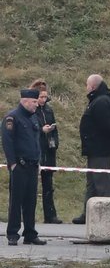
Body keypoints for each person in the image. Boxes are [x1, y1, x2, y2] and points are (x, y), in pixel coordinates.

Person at [73, 74, 110, 224]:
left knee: (102, 183)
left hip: (100, 149)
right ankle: (88, 213)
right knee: (92, 184)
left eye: (87, 85)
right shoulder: (98, 100)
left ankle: (109, 216)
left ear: (93, 86)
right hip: (94, 149)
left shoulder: (100, 102)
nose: (86, 88)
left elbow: (106, 124)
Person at [2, 88, 45, 245]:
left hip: (32, 166)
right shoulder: (12, 118)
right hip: (19, 166)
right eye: (34, 102)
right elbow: (7, 142)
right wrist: (12, 163)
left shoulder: (33, 118)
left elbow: (35, 141)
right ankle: (13, 233)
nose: (36, 105)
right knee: (16, 201)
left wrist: (38, 161)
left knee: (30, 201)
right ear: (25, 101)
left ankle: (30, 233)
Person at [29, 79, 61, 224]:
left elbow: (56, 130)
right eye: (41, 97)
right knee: (31, 184)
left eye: (45, 97)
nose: (43, 99)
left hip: (49, 150)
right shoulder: (31, 110)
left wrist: (55, 142)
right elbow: (29, 129)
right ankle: (29, 215)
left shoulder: (48, 109)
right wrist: (42, 131)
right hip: (36, 149)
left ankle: (50, 215)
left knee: (48, 185)